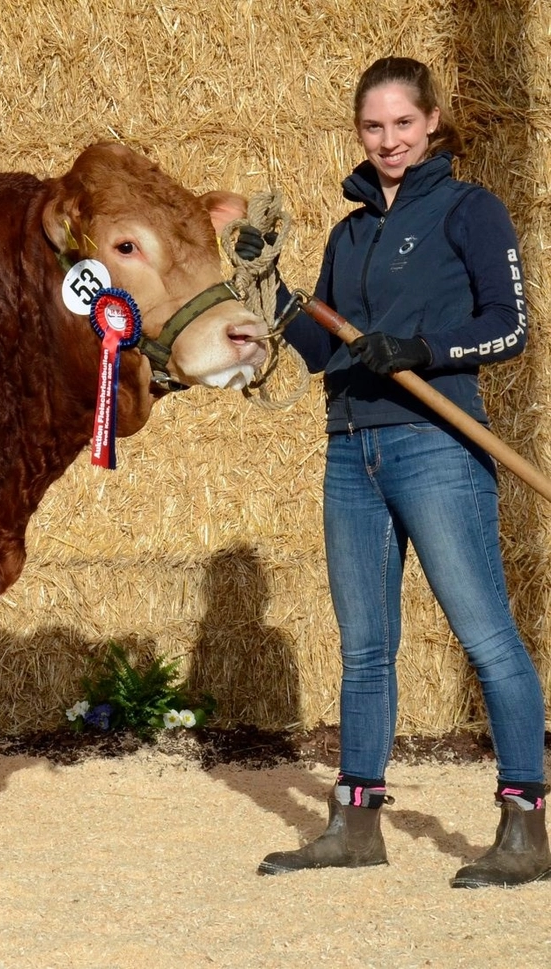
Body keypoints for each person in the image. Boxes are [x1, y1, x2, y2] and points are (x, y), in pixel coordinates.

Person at [248, 56, 549, 887]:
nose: (389, 141)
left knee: (487, 639)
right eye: (374, 127)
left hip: (437, 448)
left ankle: (525, 828)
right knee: (366, 649)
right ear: (360, 131)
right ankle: (355, 823)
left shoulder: (469, 209)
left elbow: (510, 326)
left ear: (432, 122)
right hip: (352, 451)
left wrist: (423, 349)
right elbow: (315, 347)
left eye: (403, 125)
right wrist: (264, 287)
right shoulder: (348, 234)